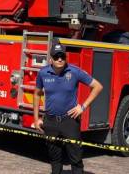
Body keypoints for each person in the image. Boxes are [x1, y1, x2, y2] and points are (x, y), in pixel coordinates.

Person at [33, 40, 103, 174]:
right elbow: (37, 94)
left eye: (62, 56)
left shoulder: (75, 72)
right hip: (51, 121)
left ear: (66, 57)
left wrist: (82, 107)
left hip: (70, 121)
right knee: (54, 159)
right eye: (56, 56)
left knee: (75, 158)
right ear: (51, 59)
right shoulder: (43, 73)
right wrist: (36, 119)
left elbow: (97, 86)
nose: (60, 59)